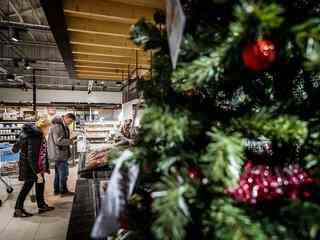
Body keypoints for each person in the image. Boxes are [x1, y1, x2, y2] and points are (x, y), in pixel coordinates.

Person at [12, 119, 54, 218]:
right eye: (48, 128)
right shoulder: (36, 137)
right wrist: (38, 173)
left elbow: (15, 148)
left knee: (40, 184)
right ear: (43, 127)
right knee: (27, 186)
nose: (49, 130)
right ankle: (18, 209)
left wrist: (19, 150)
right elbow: (32, 157)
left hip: (33, 165)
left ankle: (42, 205)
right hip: (31, 167)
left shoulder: (27, 132)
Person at [47, 113, 76, 197]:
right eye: (70, 121)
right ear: (66, 118)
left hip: (60, 153)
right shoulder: (58, 126)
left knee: (58, 174)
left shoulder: (62, 125)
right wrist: (70, 141)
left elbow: (62, 138)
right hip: (59, 154)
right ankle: (63, 191)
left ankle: (57, 191)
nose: (70, 123)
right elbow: (58, 141)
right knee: (64, 173)